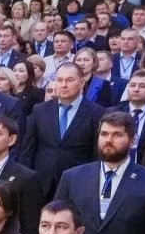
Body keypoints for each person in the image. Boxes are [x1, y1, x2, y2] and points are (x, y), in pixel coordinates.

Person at [19, 60, 107, 200]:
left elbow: (96, 154)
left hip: (78, 183)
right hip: (41, 183)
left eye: (69, 80)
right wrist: (26, 180)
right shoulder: (40, 110)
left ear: (82, 82)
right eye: (59, 80)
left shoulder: (97, 113)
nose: (64, 85)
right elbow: (27, 150)